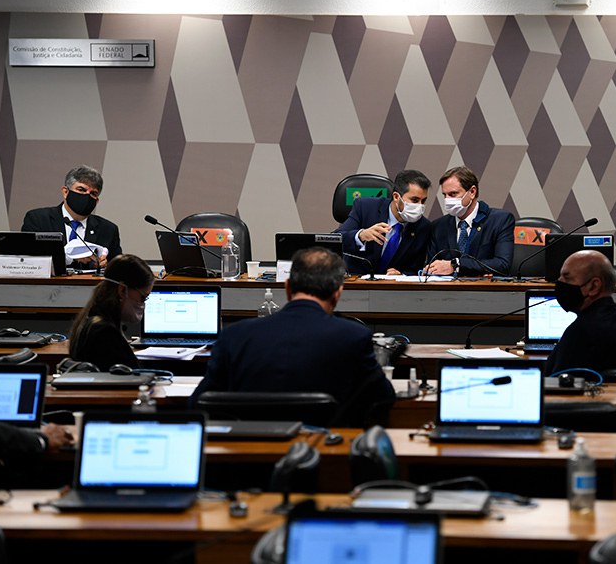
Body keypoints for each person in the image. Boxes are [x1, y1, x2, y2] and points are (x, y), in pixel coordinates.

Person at [189, 247, 395, 427]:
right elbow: (382, 398)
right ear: (338, 293)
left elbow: (199, 403)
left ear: (287, 287)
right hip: (323, 452)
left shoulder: (234, 336)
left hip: (248, 452)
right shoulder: (353, 336)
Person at [545, 250, 616, 375]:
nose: (559, 283)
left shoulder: (581, 332)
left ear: (594, 286)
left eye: (567, 278)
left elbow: (557, 381)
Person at [22, 165, 122, 269]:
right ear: (65, 192)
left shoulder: (108, 229)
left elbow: (119, 270)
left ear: (96, 201)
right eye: (81, 189)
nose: (87, 196)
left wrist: (106, 266)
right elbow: (25, 261)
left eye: (93, 193)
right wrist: (66, 257)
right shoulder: (38, 219)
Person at [334, 169, 432, 275]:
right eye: (415, 200)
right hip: (356, 279)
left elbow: (415, 269)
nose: (420, 206)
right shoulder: (365, 207)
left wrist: (402, 276)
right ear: (396, 197)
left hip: (392, 284)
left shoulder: (423, 226)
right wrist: (361, 235)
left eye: (423, 201)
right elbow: (335, 239)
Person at [68, 254, 155, 371]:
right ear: (122, 290)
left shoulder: (91, 319)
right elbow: (131, 375)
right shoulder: (105, 333)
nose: (143, 303)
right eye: (143, 297)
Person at [423, 166, 514, 276]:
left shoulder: (500, 220)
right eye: (444, 195)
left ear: (472, 192)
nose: (447, 200)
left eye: (453, 194)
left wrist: (456, 265)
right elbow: (431, 267)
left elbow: (502, 265)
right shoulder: (438, 226)